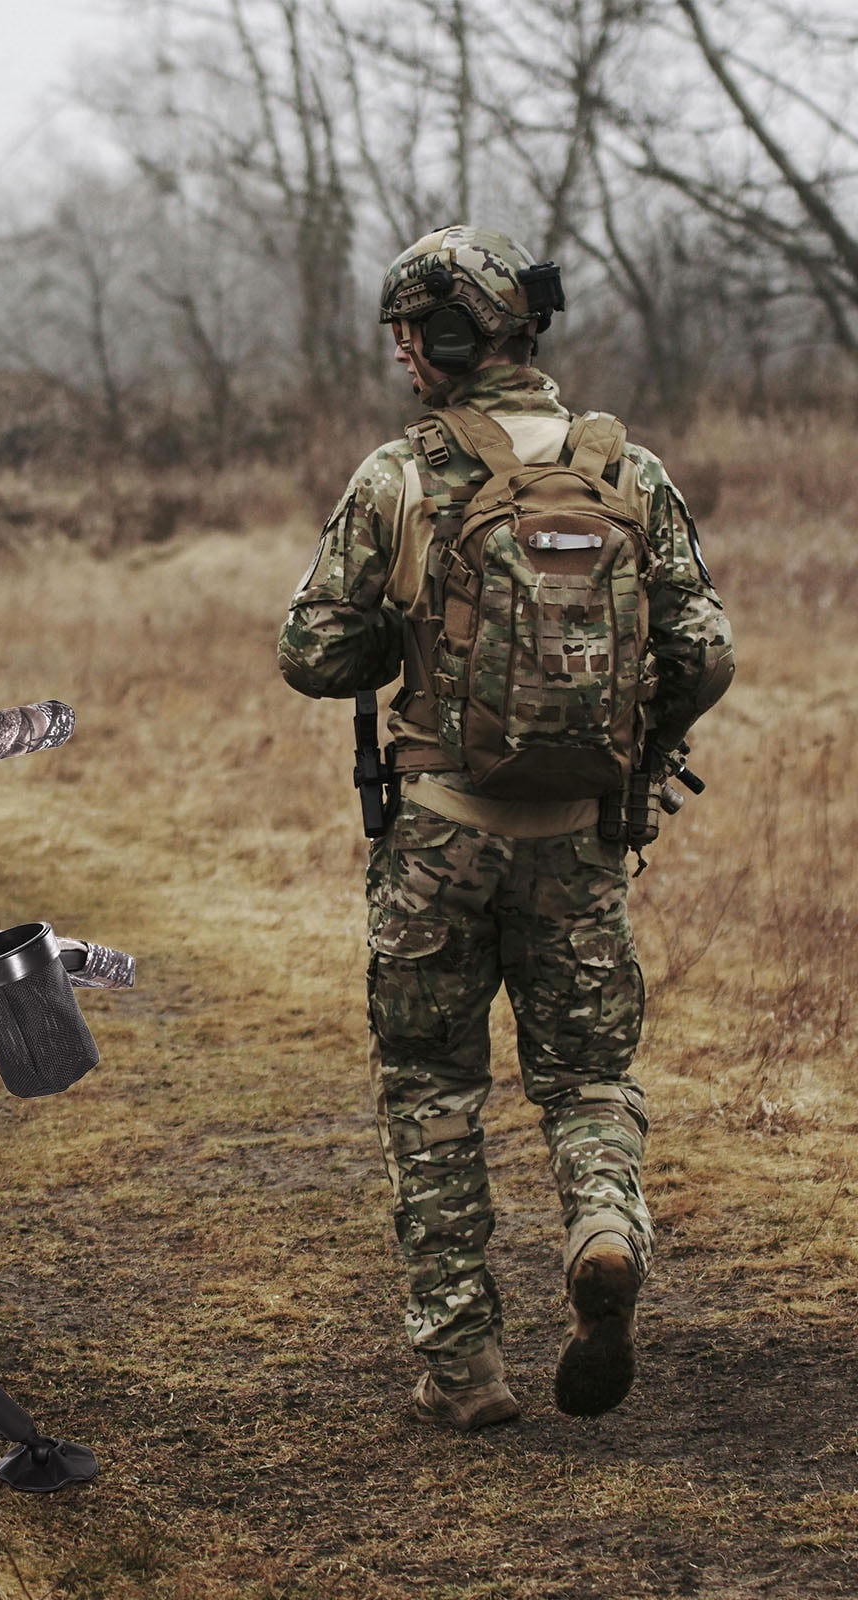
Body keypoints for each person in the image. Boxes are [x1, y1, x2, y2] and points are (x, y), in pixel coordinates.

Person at [277, 225, 734, 1431]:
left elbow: (310, 653)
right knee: (587, 1077)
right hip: (580, 838)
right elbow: (705, 649)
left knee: (431, 1090)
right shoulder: (625, 470)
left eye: (408, 333)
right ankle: (601, 1224)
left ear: (444, 336)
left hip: (436, 837)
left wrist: (406, 633)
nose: (401, 354)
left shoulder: (400, 475)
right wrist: (634, 752)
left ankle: (464, 1368)